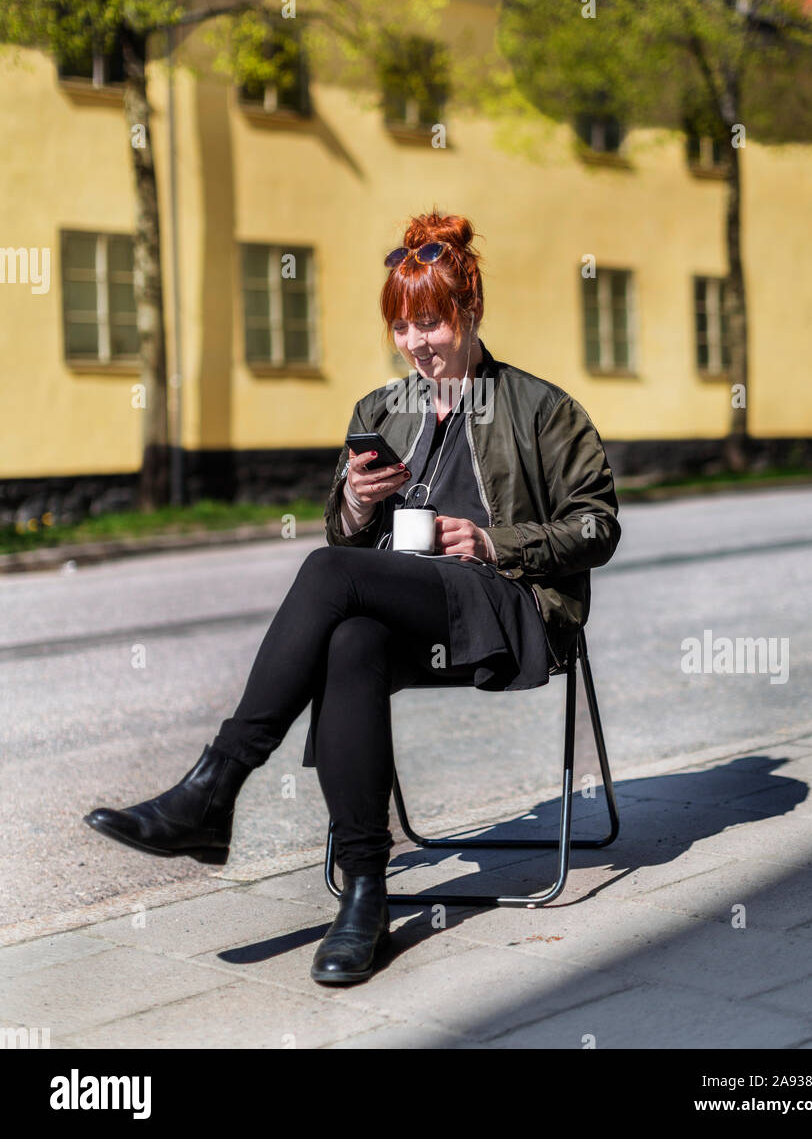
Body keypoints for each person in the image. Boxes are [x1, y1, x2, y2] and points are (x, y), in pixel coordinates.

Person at [84, 209, 622, 986]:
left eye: (430, 322)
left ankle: (215, 788)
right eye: (401, 328)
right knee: (348, 641)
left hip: (508, 607)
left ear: (469, 313)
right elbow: (347, 543)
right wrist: (358, 505)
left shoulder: (543, 409)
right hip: (412, 610)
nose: (415, 343)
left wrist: (493, 542)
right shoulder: (379, 410)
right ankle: (365, 895)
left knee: (325, 578)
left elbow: (596, 526)